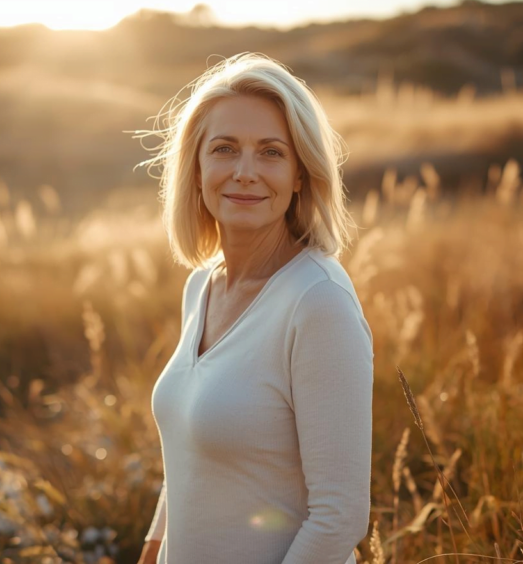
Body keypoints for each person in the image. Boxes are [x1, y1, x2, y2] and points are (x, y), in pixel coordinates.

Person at [135, 52, 374, 564]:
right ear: (196, 168)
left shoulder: (319, 302)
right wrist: (153, 549)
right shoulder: (201, 287)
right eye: (225, 149)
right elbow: (192, 457)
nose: (245, 173)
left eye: (271, 152)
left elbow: (340, 516)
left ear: (300, 175)